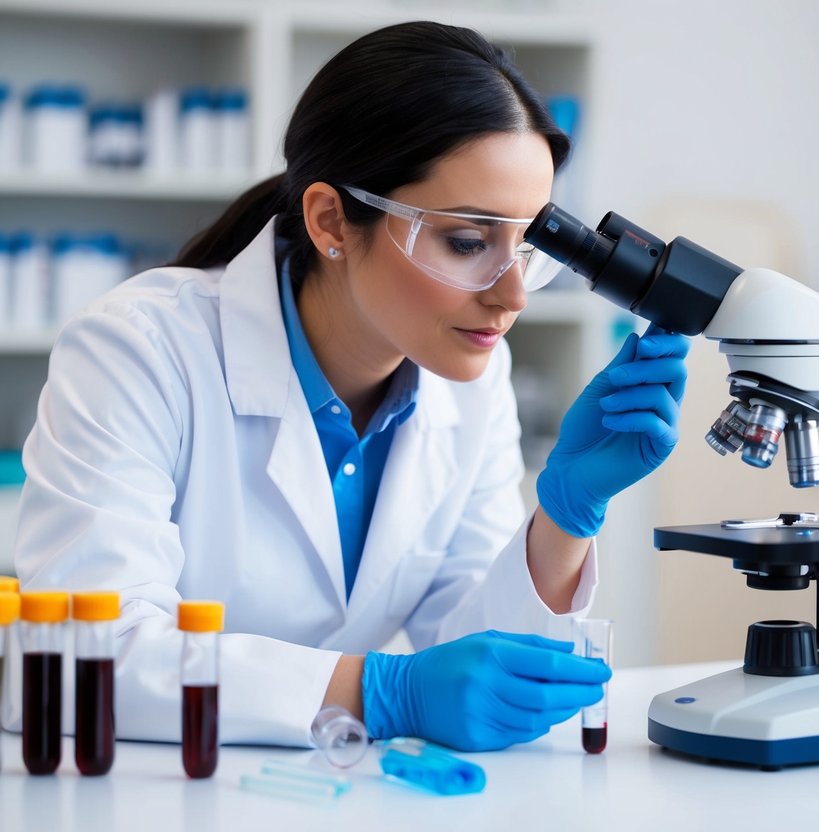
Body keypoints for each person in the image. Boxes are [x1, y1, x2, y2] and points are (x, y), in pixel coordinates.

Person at [1, 21, 689, 752]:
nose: (513, 294)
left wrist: (563, 519)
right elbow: (82, 656)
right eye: (466, 242)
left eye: (528, 248)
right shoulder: (139, 348)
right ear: (331, 219)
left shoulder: (471, 382)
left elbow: (478, 668)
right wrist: (380, 691)